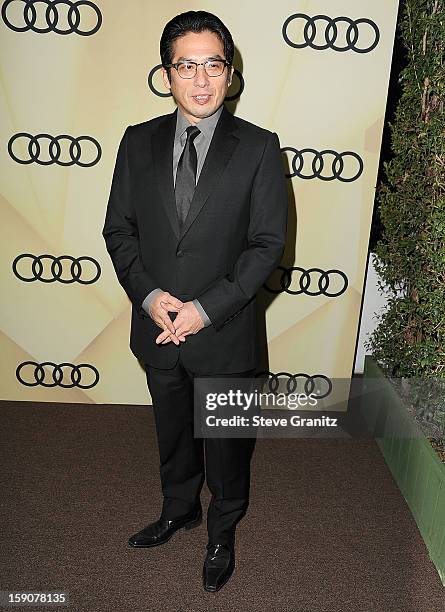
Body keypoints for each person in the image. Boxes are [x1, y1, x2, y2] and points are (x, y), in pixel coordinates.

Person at [102, 10, 288, 592]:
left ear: (230, 75)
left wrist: (205, 309)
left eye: (214, 65)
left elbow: (266, 246)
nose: (201, 80)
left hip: (224, 330)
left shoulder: (258, 148)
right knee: (173, 430)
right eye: (187, 66)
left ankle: (222, 528)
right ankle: (178, 507)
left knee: (227, 445)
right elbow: (120, 231)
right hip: (157, 326)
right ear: (166, 74)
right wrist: (151, 296)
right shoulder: (136, 142)